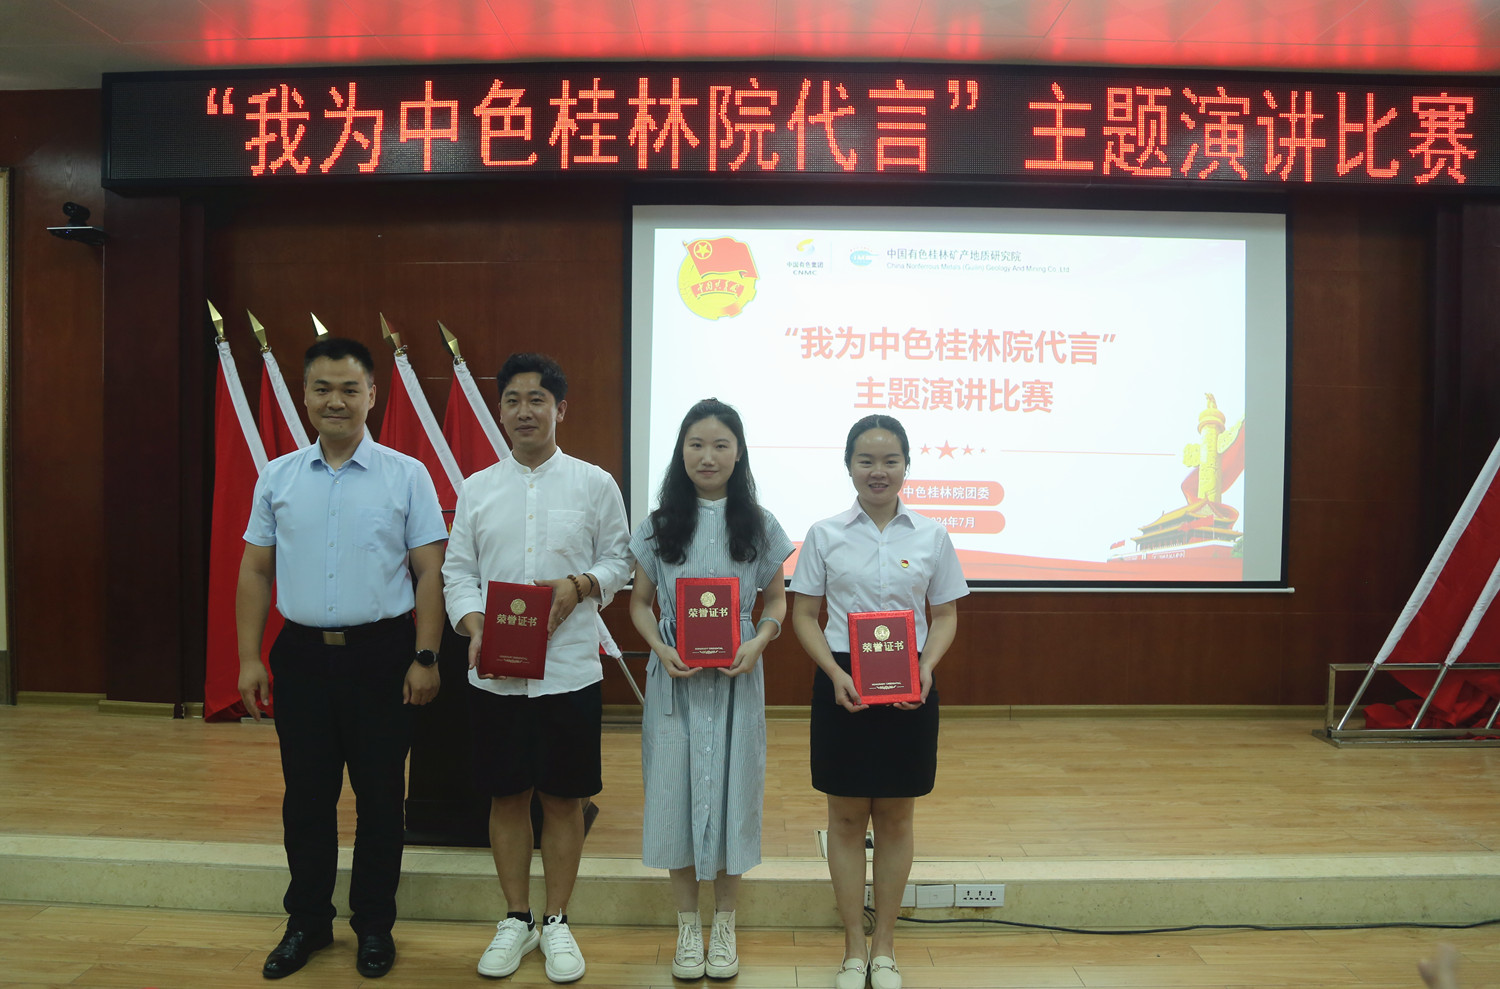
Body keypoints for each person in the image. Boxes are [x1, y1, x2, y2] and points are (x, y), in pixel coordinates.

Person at [236, 336, 447, 980]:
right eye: (322, 388)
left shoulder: (406, 474)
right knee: (306, 798)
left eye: (350, 389)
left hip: (382, 657)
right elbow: (255, 571)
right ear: (304, 395)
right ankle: (307, 922)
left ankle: (374, 926)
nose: (336, 400)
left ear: (371, 395)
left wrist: (426, 655)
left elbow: (430, 572)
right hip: (302, 658)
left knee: (381, 799)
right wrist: (249, 658)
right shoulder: (278, 476)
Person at [441, 353, 631, 984]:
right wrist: (474, 627)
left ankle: (557, 921)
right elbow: (458, 574)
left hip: (569, 671)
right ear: (500, 411)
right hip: (494, 673)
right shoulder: (477, 488)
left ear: (560, 409)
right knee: (506, 795)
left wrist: (580, 585)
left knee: (564, 798)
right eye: (513, 400)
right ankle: (516, 918)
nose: (524, 411)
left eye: (537, 400)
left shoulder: (594, 484)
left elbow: (620, 562)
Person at [789, 414, 967, 989]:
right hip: (842, 680)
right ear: (849, 466)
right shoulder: (824, 534)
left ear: (906, 466)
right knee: (844, 818)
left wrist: (926, 667)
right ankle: (852, 949)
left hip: (909, 682)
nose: (878, 470)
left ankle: (884, 949)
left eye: (890, 460)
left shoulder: (932, 535)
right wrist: (833, 673)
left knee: (895, 816)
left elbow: (945, 615)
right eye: (866, 460)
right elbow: (803, 614)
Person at [627, 399, 793, 980]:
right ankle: (686, 928)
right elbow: (640, 604)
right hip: (674, 679)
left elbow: (777, 602)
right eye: (696, 444)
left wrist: (760, 641)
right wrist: (660, 647)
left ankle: (724, 925)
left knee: (733, 793)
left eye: (721, 445)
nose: (708, 456)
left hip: (736, 679)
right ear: (681, 452)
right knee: (673, 796)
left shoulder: (760, 524)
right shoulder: (659, 525)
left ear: (738, 453)